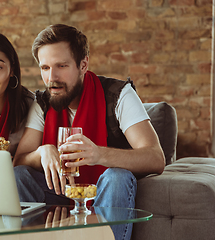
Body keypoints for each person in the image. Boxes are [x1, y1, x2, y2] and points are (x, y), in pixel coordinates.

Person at [13, 24, 165, 240]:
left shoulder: (119, 95)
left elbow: (155, 157)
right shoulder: (43, 103)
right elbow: (19, 161)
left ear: (83, 64)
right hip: (59, 192)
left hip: (104, 193)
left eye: (61, 66)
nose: (51, 77)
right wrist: (42, 152)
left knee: (117, 176)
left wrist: (99, 155)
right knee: (20, 175)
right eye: (45, 68)